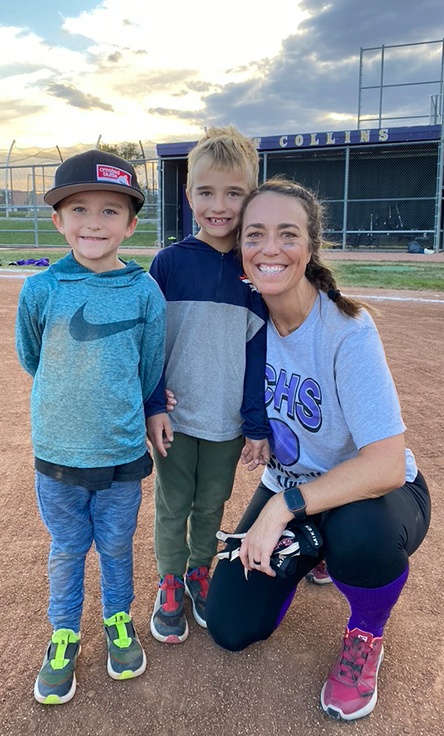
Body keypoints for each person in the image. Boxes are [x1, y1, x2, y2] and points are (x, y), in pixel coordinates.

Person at [205, 179, 431, 722]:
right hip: (294, 487)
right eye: (255, 234)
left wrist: (281, 508)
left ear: (310, 247)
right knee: (231, 626)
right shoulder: (246, 320)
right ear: (241, 248)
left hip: (375, 496)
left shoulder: (347, 330)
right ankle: (316, 546)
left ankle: (366, 630)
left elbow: (381, 466)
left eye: (288, 234)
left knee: (358, 536)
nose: (270, 248)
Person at [15, 149, 166, 704]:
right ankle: (64, 634)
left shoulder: (145, 292)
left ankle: (118, 622)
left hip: (122, 451)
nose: (93, 223)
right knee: (67, 547)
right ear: (59, 220)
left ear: (130, 223)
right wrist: (70, 400)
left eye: (109, 211)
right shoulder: (41, 290)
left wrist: (120, 407)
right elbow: (34, 358)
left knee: (117, 545)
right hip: (57, 450)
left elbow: (149, 368)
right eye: (79, 209)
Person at [145, 126, 271, 643]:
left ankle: (201, 569)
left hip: (226, 422)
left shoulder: (254, 271)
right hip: (175, 420)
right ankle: (170, 581)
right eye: (206, 192)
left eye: (234, 193)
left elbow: (259, 353)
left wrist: (256, 422)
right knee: (173, 502)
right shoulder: (169, 263)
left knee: (212, 502)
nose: (218, 206)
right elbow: (149, 341)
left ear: (251, 197)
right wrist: (153, 401)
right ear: (188, 194)